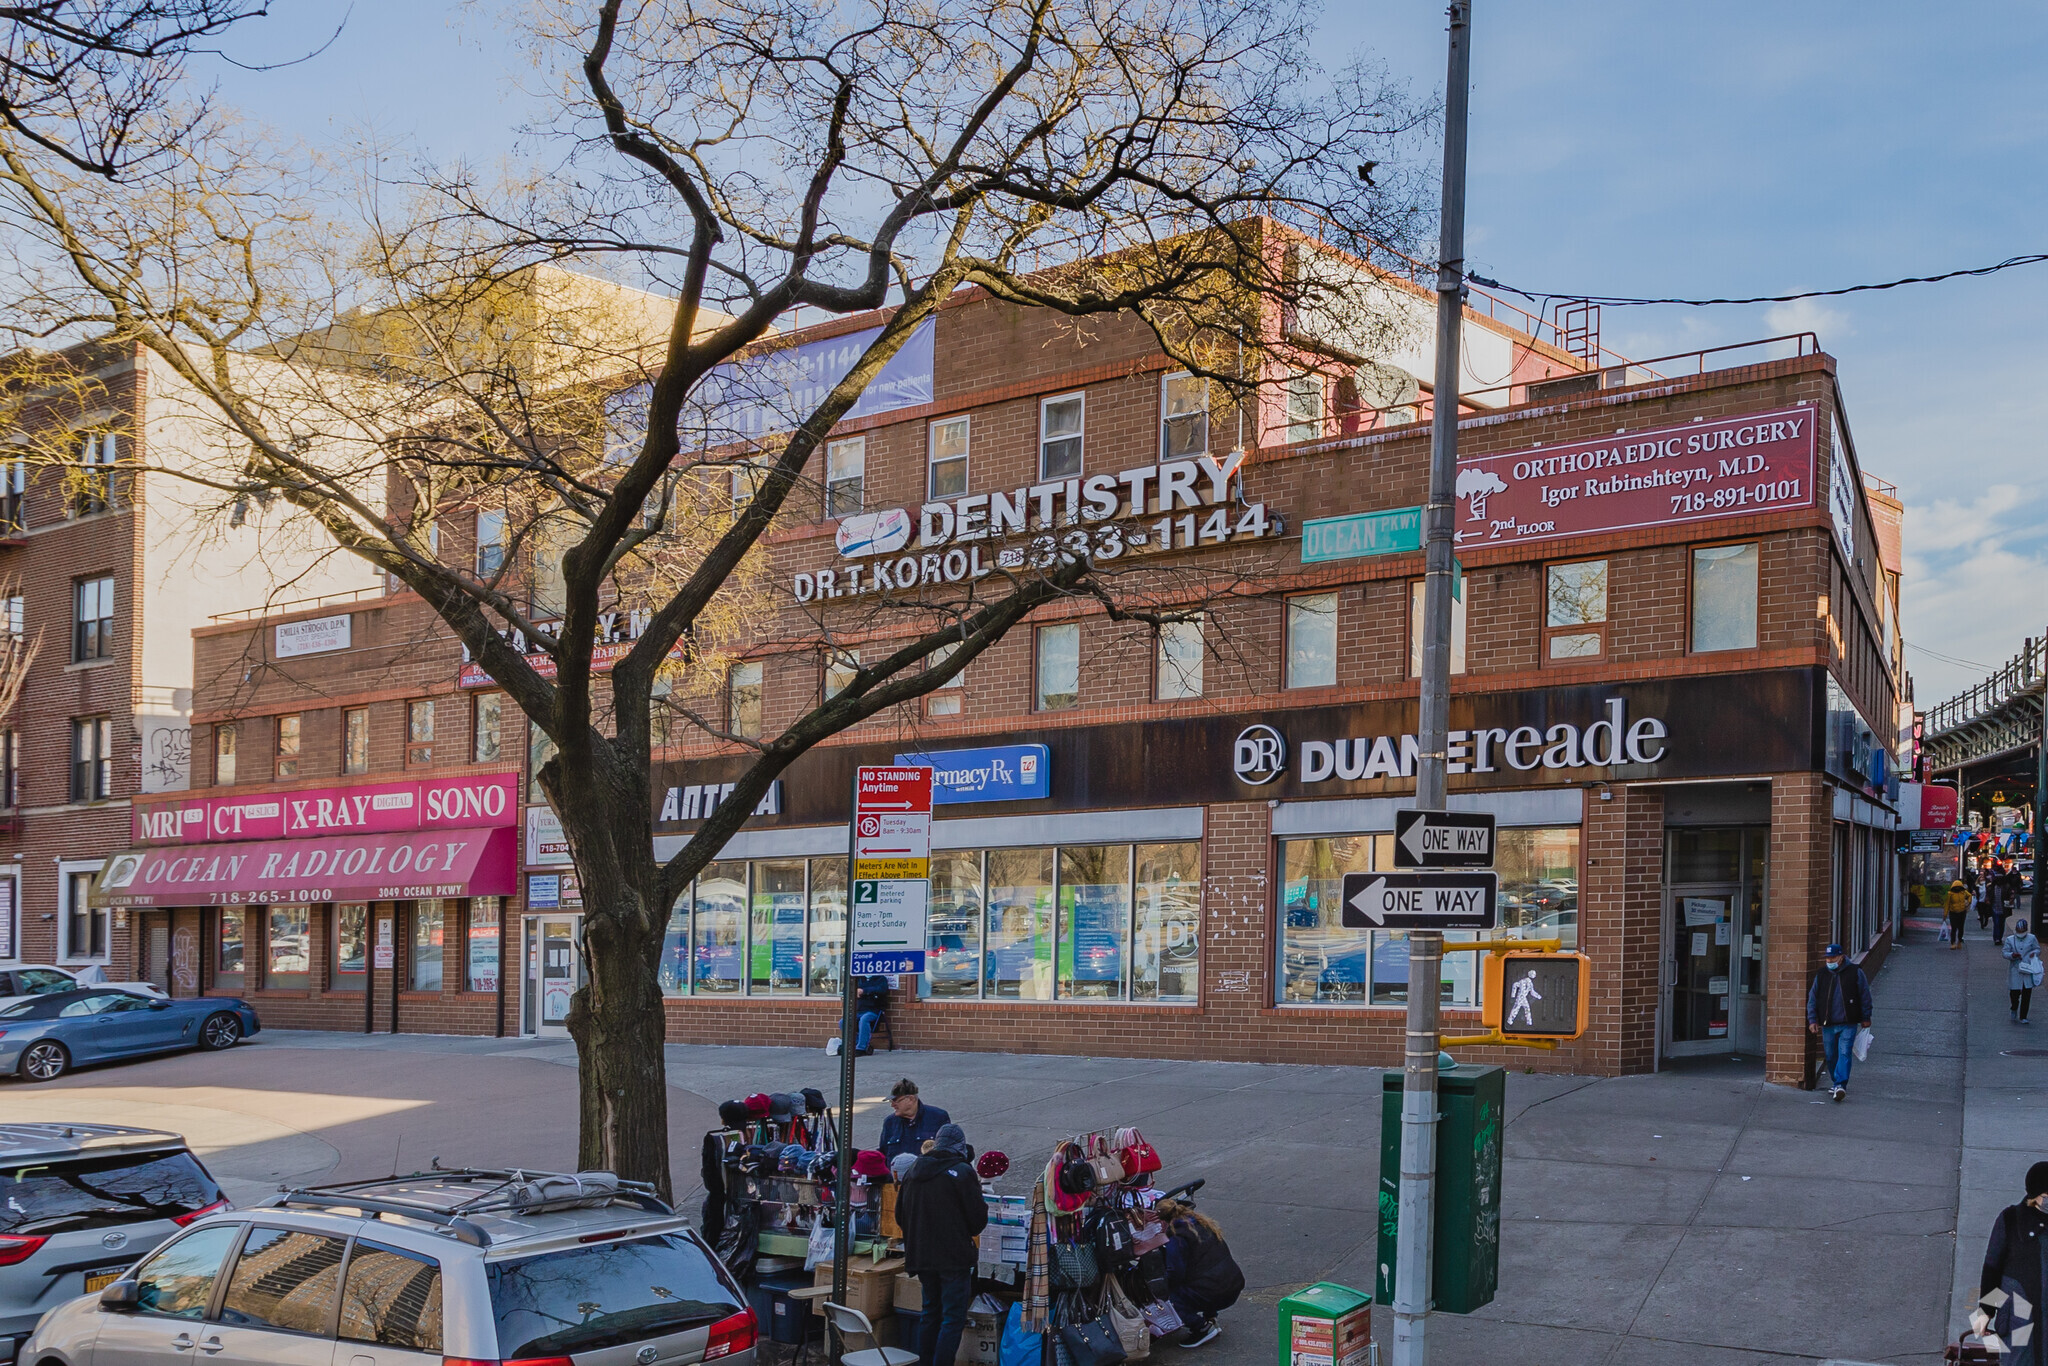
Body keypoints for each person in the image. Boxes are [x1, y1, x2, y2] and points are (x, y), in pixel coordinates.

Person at [897, 1123, 986, 1366]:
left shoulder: (914, 1170)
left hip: (922, 1256)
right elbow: (978, 1220)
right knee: (952, 1318)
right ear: (959, 1146)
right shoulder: (962, 1172)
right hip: (953, 1258)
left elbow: (899, 1216)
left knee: (930, 1314)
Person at [1978, 1161, 2048, 1366]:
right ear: (2034, 1195)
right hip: (2019, 1315)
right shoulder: (2010, 1219)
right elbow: (1992, 1269)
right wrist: (1985, 1312)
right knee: (2019, 1360)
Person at [1151, 1197, 1244, 1348]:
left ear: (1163, 1220)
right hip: (1233, 1283)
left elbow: (1175, 1273)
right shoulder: (1201, 1224)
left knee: (1171, 1296)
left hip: (1215, 1292)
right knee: (1205, 1277)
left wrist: (1160, 1287)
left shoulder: (1177, 1238)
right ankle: (1211, 1317)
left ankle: (1201, 1327)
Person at [1805, 943, 1872, 1102]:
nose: (1829, 961)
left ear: (1841, 957)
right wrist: (1812, 1019)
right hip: (1828, 1024)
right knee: (1830, 1055)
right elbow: (1813, 998)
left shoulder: (1855, 972)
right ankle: (1837, 1082)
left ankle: (1840, 1084)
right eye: (1827, 958)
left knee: (1844, 1052)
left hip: (1848, 1022)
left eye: (1832, 957)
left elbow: (1864, 995)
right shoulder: (1822, 975)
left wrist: (1866, 1017)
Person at [878, 1078, 950, 1162]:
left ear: (911, 1099)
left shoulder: (938, 1117)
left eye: (896, 1101)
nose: (892, 1105)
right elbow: (883, 1154)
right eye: (891, 1101)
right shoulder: (889, 1122)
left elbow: (948, 1152)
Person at [2004, 918, 2041, 1025]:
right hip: (2016, 968)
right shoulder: (2010, 939)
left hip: (2027, 969)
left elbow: (2037, 949)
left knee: (2026, 994)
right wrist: (2012, 955)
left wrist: (2033, 953)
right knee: (2014, 993)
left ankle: (2023, 1016)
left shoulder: (2032, 938)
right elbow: (2005, 952)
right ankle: (2014, 1007)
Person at [854, 974, 889, 1056]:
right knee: (843, 1022)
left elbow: (881, 989)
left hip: (874, 1010)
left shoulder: (880, 978)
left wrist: (864, 991)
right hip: (859, 1010)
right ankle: (856, 1042)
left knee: (864, 1019)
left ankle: (861, 1048)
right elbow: (845, 989)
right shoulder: (858, 978)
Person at [1945, 879, 1971, 949]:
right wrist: (1945, 914)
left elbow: (1970, 896)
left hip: (1962, 912)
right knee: (1954, 928)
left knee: (1961, 928)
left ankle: (1959, 941)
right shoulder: (1950, 894)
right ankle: (1953, 942)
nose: (1957, 888)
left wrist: (1968, 902)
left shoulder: (1964, 892)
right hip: (1953, 913)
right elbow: (1947, 904)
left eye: (1958, 887)